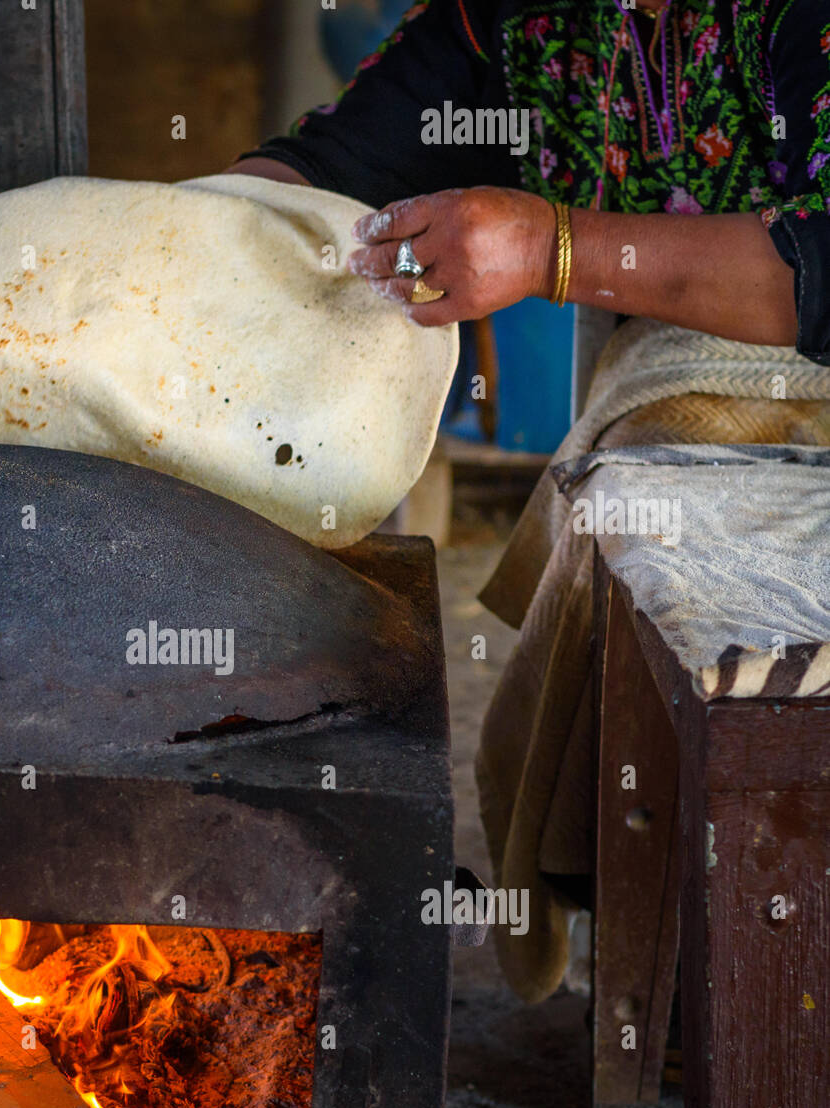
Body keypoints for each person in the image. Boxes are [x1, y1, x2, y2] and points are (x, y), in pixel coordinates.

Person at [226, 0, 830, 1002]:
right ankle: (692, 963)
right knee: (631, 504)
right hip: (671, 386)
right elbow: (333, 169)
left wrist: (556, 250)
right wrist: (170, 240)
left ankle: (744, 971)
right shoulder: (509, 22)